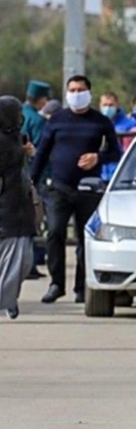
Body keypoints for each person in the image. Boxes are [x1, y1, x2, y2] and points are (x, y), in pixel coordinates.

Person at [30, 75, 122, 304]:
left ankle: (82, 287)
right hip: (59, 188)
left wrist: (97, 157)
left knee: (85, 239)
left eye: (80, 89)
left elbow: (116, 152)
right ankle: (56, 283)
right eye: (72, 89)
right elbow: (42, 152)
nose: (76, 93)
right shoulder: (56, 120)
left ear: (89, 93)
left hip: (88, 189)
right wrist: (31, 181)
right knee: (55, 233)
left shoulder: (100, 121)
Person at [0, 96, 37, 319]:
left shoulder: (15, 138)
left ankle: (8, 298)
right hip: (6, 211)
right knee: (13, 261)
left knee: (24, 261)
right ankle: (6, 299)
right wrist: (21, 152)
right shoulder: (5, 143)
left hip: (21, 209)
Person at [20, 80, 51, 280]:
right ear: (41, 100)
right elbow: (41, 152)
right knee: (35, 220)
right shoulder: (38, 121)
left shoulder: (16, 114)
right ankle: (31, 263)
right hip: (33, 177)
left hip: (14, 177)